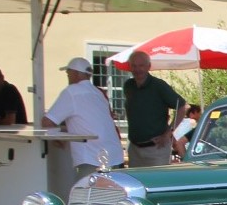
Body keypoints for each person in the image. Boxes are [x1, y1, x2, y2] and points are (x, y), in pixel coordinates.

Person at [42, 57, 125, 187]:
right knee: (112, 200)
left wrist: (56, 137)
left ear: (75, 73)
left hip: (92, 157)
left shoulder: (71, 92)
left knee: (86, 200)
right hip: (114, 154)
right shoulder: (98, 93)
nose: (68, 76)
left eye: (68, 73)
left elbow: (47, 122)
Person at [123, 50, 187, 167]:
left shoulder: (159, 86)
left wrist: (168, 133)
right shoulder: (128, 86)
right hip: (134, 148)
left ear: (148, 66)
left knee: (156, 182)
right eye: (134, 66)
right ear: (130, 67)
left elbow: (182, 107)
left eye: (141, 65)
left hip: (156, 149)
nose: (137, 69)